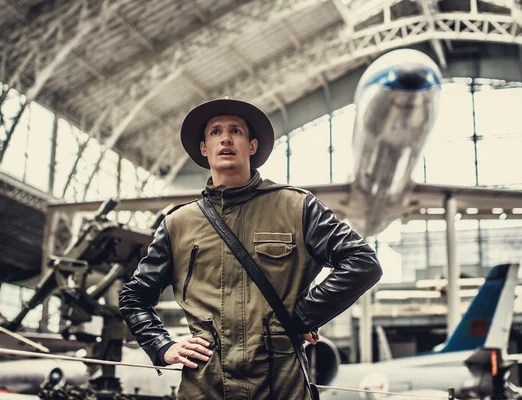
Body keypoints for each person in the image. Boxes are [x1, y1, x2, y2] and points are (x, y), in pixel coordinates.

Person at [119, 98, 382, 399]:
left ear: (252, 146)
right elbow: (134, 296)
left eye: (236, 131)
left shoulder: (296, 207)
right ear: (204, 148)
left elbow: (362, 262)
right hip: (206, 387)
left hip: (283, 386)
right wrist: (162, 346)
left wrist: (303, 316)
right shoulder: (178, 223)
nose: (226, 138)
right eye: (215, 132)